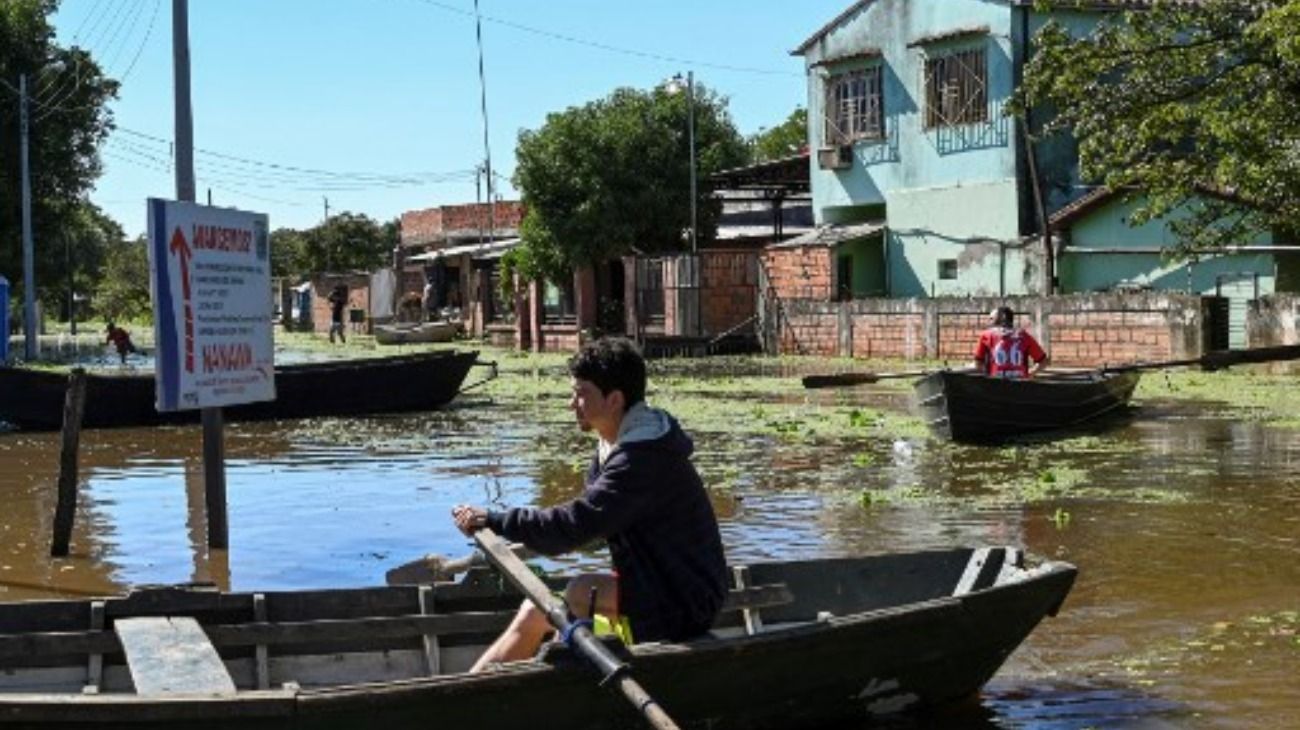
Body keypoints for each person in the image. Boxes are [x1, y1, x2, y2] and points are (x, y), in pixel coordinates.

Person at [452, 337, 727, 673]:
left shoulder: (640, 460)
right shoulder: (614, 447)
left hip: (684, 603)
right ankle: (481, 685)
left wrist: (495, 519)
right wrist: (516, 531)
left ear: (614, 400)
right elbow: (587, 528)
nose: (572, 403)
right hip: (655, 585)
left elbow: (574, 525)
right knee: (537, 608)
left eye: (581, 393)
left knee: (574, 592)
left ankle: (518, 683)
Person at [974, 306, 1049, 379]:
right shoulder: (1024, 336)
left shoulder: (986, 335)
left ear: (1001, 318)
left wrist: (987, 376)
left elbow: (978, 363)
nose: (989, 321)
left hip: (995, 385)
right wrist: (1030, 373)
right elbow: (1043, 361)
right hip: (1020, 385)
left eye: (991, 319)